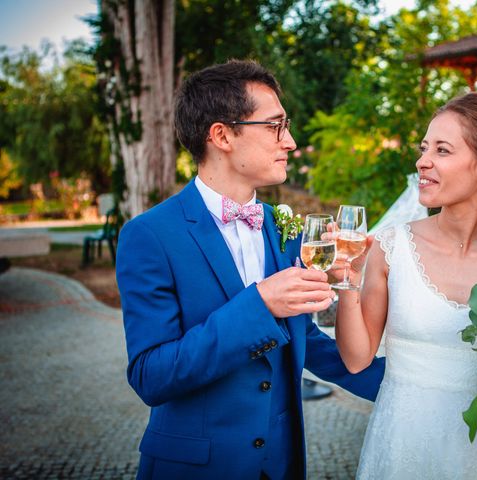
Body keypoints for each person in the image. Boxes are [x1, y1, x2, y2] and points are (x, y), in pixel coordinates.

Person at [115, 59, 384, 480]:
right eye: (275, 126)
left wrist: (412, 389)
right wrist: (259, 305)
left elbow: (305, 341)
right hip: (194, 468)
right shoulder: (148, 236)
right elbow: (151, 375)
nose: (290, 141)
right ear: (221, 135)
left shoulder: (283, 228)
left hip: (280, 464)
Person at [332, 92, 477, 479]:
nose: (422, 160)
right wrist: (348, 279)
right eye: (424, 147)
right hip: (400, 447)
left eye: (442, 150)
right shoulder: (392, 247)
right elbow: (357, 358)